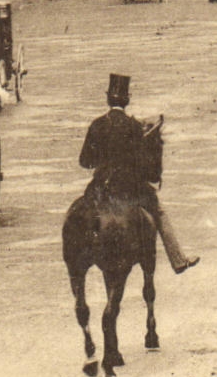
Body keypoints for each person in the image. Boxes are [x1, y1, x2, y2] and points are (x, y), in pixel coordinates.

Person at [78, 74, 195, 273]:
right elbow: (144, 166)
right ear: (127, 99)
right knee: (158, 211)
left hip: (101, 186)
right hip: (129, 188)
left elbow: (84, 161)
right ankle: (178, 259)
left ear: (108, 99)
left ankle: (79, 258)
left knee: (80, 213)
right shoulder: (134, 126)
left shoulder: (97, 124)